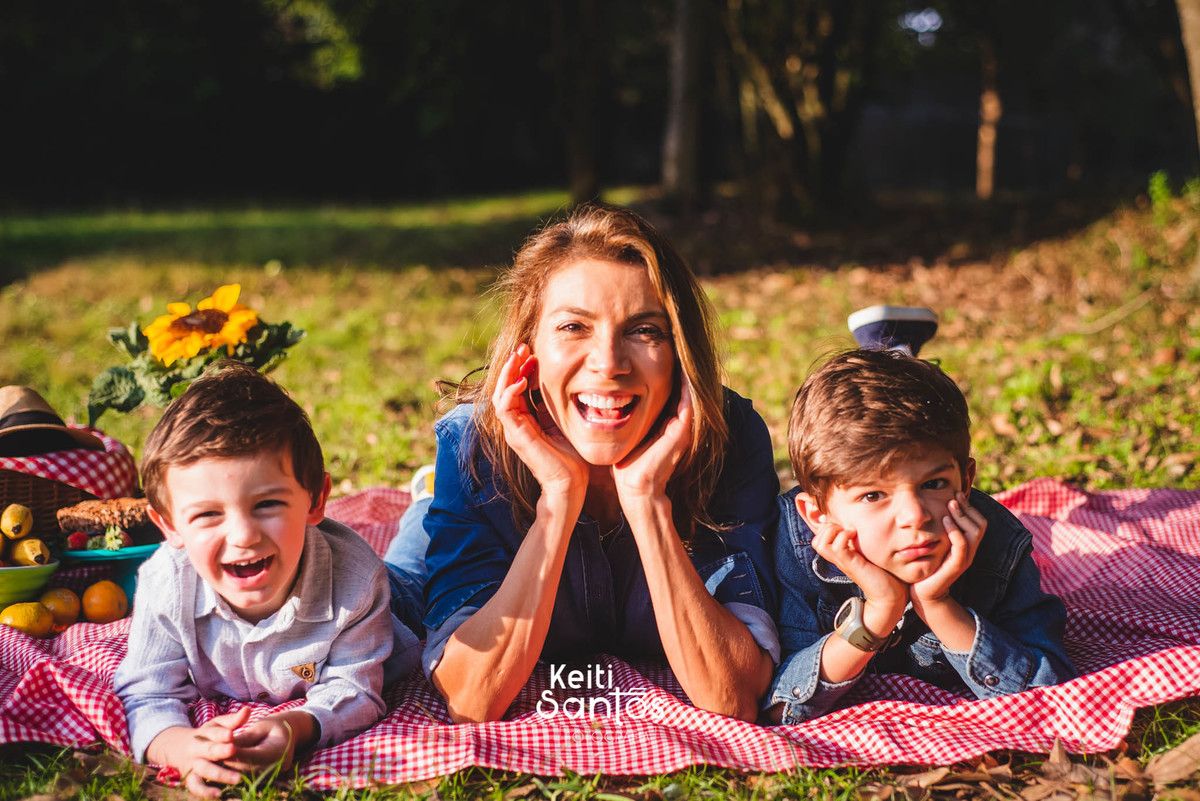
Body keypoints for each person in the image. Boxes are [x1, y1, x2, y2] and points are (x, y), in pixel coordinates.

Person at [385, 202, 780, 723]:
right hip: (467, 516)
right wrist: (558, 498)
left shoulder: (730, 437)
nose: (609, 364)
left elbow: (732, 698)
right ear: (529, 349)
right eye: (574, 326)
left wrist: (647, 502)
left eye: (645, 330)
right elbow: (472, 699)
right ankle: (426, 504)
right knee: (398, 595)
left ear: (681, 351)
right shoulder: (474, 445)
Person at [113, 363, 420, 797]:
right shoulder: (166, 584)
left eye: (267, 504)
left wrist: (296, 727)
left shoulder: (355, 582)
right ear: (169, 526)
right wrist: (178, 746)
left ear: (315, 501)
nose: (243, 535)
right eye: (208, 514)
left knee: (425, 561)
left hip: (404, 601)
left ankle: (427, 504)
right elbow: (147, 693)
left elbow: (354, 689)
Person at [767, 349, 1075, 723]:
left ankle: (898, 346)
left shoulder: (998, 544)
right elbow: (781, 706)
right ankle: (893, 343)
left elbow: (1050, 697)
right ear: (818, 516)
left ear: (965, 482)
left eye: (933, 484)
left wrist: (938, 603)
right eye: (873, 495)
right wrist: (880, 611)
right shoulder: (797, 550)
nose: (915, 516)